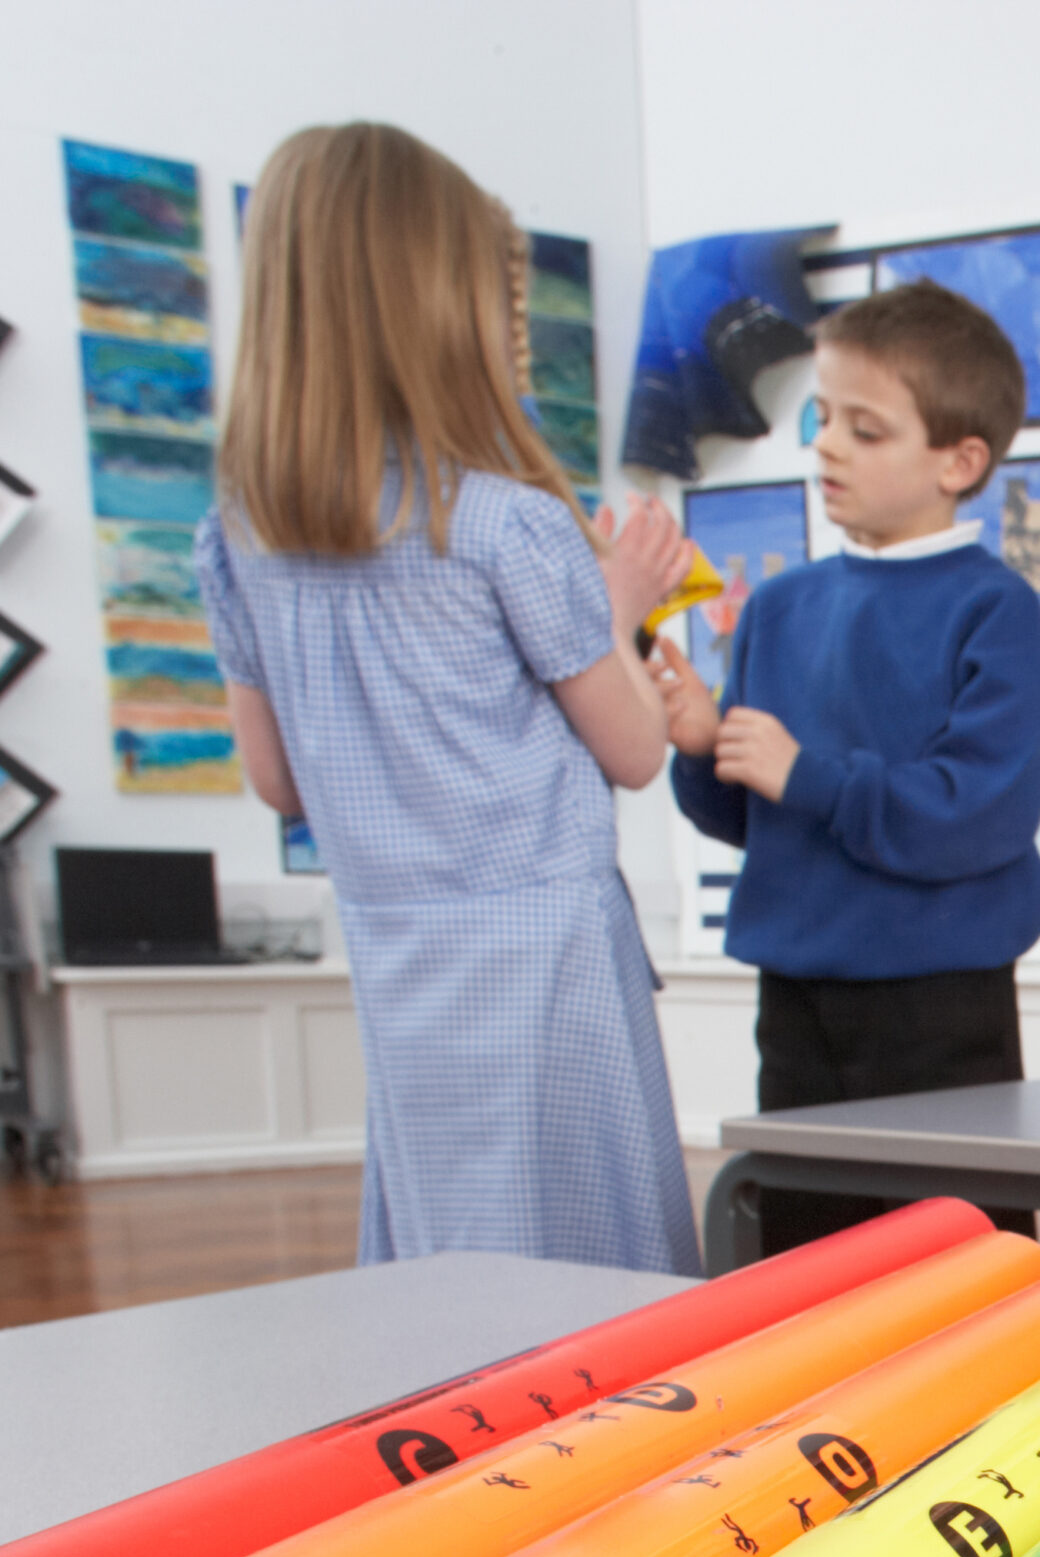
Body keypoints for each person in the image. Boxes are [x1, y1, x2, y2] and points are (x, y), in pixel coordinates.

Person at [200, 124, 700, 1277]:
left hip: (395, 947)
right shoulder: (501, 522)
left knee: (448, 1249)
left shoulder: (235, 537)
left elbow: (276, 781)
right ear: (444, 301)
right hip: (549, 954)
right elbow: (631, 750)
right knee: (590, 1265)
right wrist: (617, 600)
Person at [657, 281, 1040, 1250]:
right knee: (804, 1248)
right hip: (794, 993)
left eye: (867, 430)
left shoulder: (992, 609)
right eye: (824, 418)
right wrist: (702, 751)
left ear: (958, 462)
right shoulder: (777, 607)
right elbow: (750, 820)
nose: (828, 446)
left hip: (939, 997)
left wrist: (811, 775)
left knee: (954, 1254)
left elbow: (982, 813)